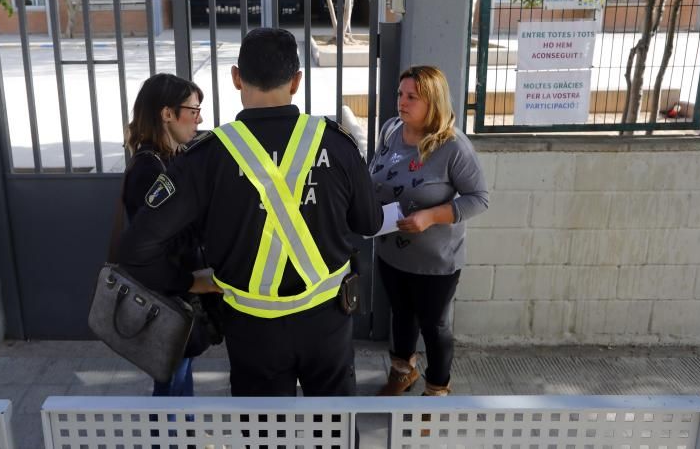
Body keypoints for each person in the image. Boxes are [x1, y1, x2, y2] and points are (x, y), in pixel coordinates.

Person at [117, 28, 383, 396]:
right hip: (328, 321)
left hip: (252, 330)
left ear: (236, 77)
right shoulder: (336, 143)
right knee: (334, 424)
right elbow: (370, 222)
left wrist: (189, 282)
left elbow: (134, 251)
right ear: (296, 81)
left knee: (264, 431)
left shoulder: (205, 157)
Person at [371, 65, 489, 396]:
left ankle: (437, 389)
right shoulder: (391, 130)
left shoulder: (452, 147)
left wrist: (431, 217)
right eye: (400, 94)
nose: (402, 102)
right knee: (401, 315)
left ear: (432, 102)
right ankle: (402, 371)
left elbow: (479, 199)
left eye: (412, 97)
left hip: (435, 262)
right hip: (391, 252)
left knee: (434, 327)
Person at [107, 72, 207, 397]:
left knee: (177, 376)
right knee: (171, 386)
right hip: (165, 295)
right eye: (192, 110)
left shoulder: (170, 159)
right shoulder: (149, 170)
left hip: (173, 293)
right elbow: (153, 246)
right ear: (167, 114)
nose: (199, 118)